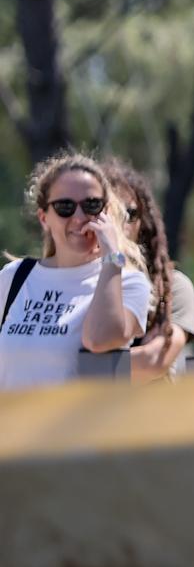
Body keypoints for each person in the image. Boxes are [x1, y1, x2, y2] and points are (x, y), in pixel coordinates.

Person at [0, 152, 151, 391]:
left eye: (91, 205)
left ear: (107, 211)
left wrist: (111, 256)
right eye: (65, 207)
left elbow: (99, 339)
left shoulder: (127, 283)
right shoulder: (14, 277)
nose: (79, 217)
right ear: (43, 218)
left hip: (78, 429)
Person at [103, 159, 194, 382]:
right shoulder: (76, 283)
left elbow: (153, 361)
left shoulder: (172, 287)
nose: (119, 224)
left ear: (143, 222)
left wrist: (76, 365)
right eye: (109, 212)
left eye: (128, 213)